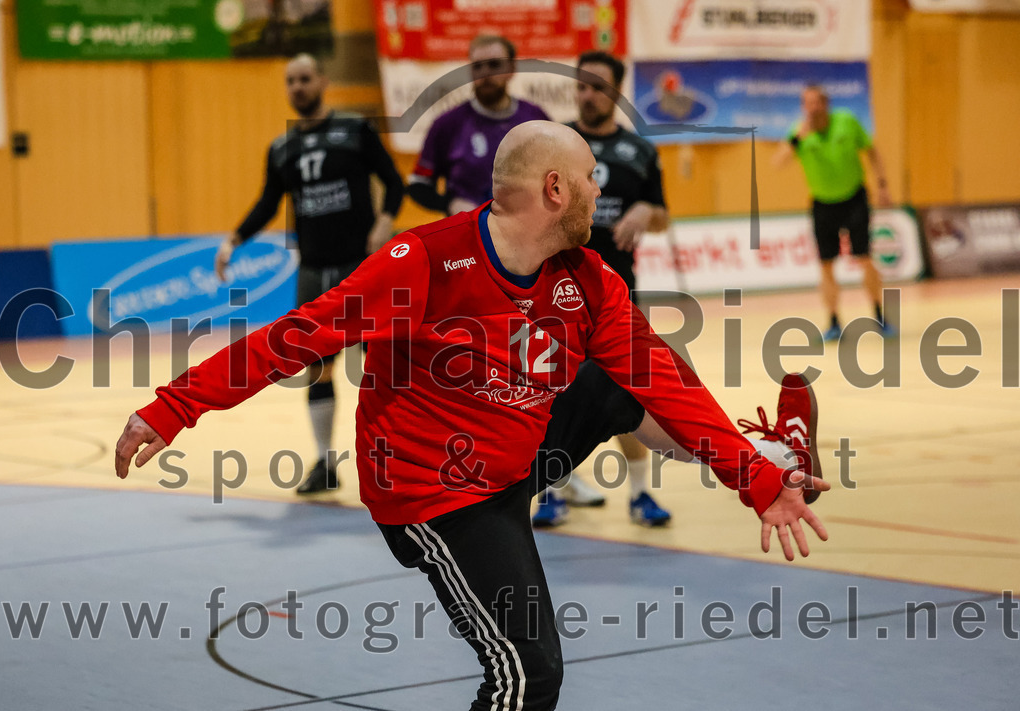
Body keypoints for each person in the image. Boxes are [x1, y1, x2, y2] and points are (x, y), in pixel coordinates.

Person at [116, 121, 829, 711]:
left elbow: (661, 384)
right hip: (440, 497)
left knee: (638, 374)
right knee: (528, 673)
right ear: (555, 189)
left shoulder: (588, 278)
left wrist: (754, 483)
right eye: (589, 178)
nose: (598, 191)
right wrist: (173, 408)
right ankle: (770, 464)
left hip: (518, 449)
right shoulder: (422, 263)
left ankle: (776, 461)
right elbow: (293, 338)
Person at [214, 53, 405, 494]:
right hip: (314, 271)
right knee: (316, 366)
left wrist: (385, 219)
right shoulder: (282, 148)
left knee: (385, 364)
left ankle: (397, 460)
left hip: (362, 267)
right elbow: (267, 203)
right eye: (291, 81)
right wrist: (233, 241)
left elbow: (394, 181)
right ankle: (325, 462)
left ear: (321, 80)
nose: (298, 87)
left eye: (305, 79)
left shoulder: (355, 131)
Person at [533, 50, 674, 528]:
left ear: (614, 92)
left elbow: (663, 214)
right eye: (581, 85)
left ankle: (639, 495)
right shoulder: (556, 145)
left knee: (626, 390)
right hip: (555, 292)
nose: (586, 94)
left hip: (617, 295)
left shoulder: (641, 151)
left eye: (596, 86)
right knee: (548, 393)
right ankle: (549, 491)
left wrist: (645, 214)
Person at [773, 84, 894, 342]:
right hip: (822, 204)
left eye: (816, 102)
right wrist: (797, 139)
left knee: (864, 257)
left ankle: (879, 315)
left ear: (826, 104)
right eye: (807, 103)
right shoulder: (799, 133)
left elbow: (872, 151)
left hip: (854, 199)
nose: (812, 108)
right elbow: (778, 162)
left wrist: (882, 184)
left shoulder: (847, 122)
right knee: (826, 265)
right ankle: (834, 321)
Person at [406, 34, 549, 215]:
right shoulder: (447, 124)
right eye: (477, 66)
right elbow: (419, 185)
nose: (486, 73)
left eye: (494, 65)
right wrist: (450, 203)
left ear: (511, 69)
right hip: (469, 234)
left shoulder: (536, 119)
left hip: (529, 231)